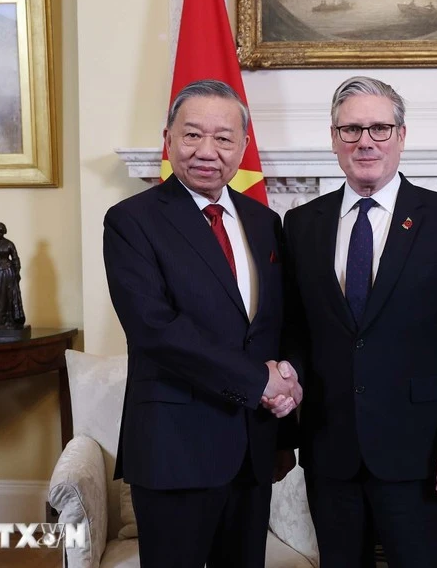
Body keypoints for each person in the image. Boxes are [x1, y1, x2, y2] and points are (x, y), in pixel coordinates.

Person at [282, 76, 437, 568]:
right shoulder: (302, 223)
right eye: (351, 129)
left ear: (401, 135)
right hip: (331, 453)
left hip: (421, 455)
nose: (365, 142)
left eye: (379, 128)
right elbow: (295, 331)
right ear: (333, 139)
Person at [103, 79, 302, 568]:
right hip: (175, 449)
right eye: (192, 135)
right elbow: (155, 329)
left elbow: (276, 323)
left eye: (224, 138)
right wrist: (260, 382)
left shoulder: (263, 221)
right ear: (168, 138)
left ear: (243, 146)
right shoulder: (132, 221)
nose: (207, 151)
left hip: (252, 451)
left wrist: (289, 382)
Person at [0, 222, 26, 329]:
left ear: (4, 231)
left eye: (1, 230)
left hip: (7, 273)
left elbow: (16, 258)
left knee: (7, 296)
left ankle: (9, 320)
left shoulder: (9, 244)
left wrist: (16, 273)